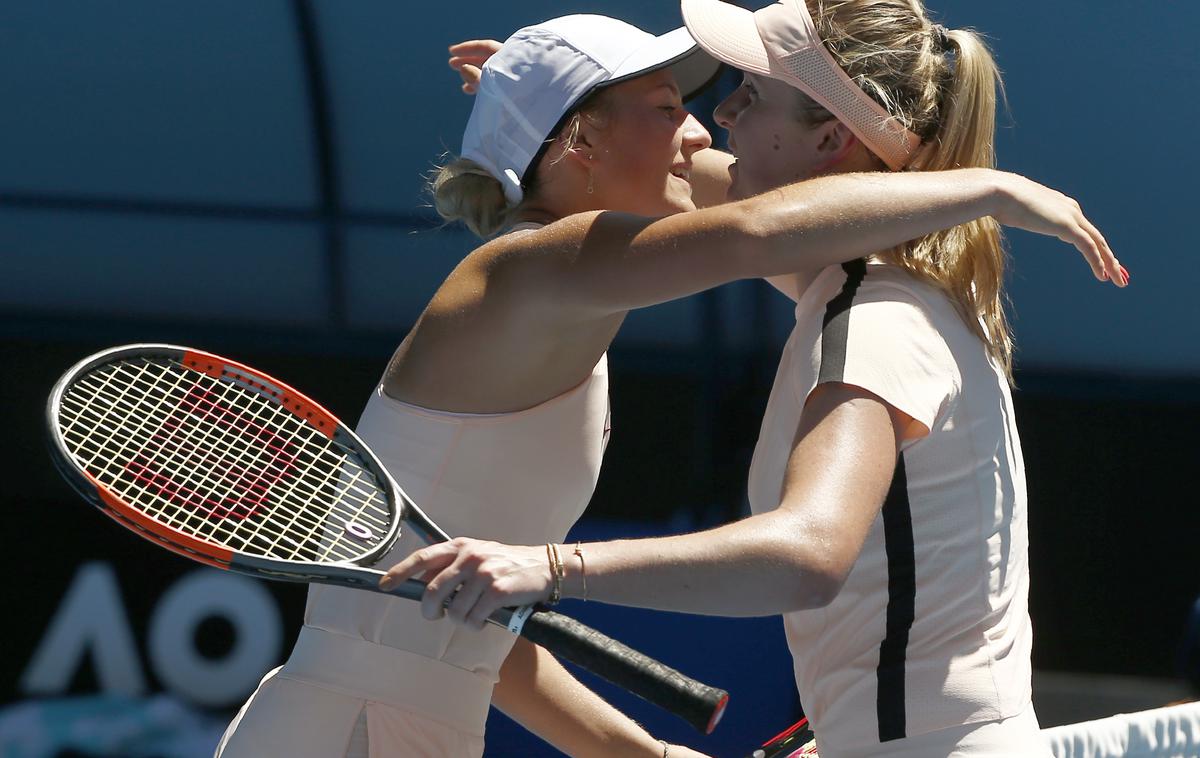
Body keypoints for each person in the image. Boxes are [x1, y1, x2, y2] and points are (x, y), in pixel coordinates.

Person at [217, 9, 1122, 758]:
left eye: (730, 101)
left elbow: (475, 627)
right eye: (666, 107)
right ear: (579, 140)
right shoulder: (534, 269)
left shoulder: (568, 292)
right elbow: (765, 222)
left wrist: (644, 755)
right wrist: (990, 186)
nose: (703, 127)